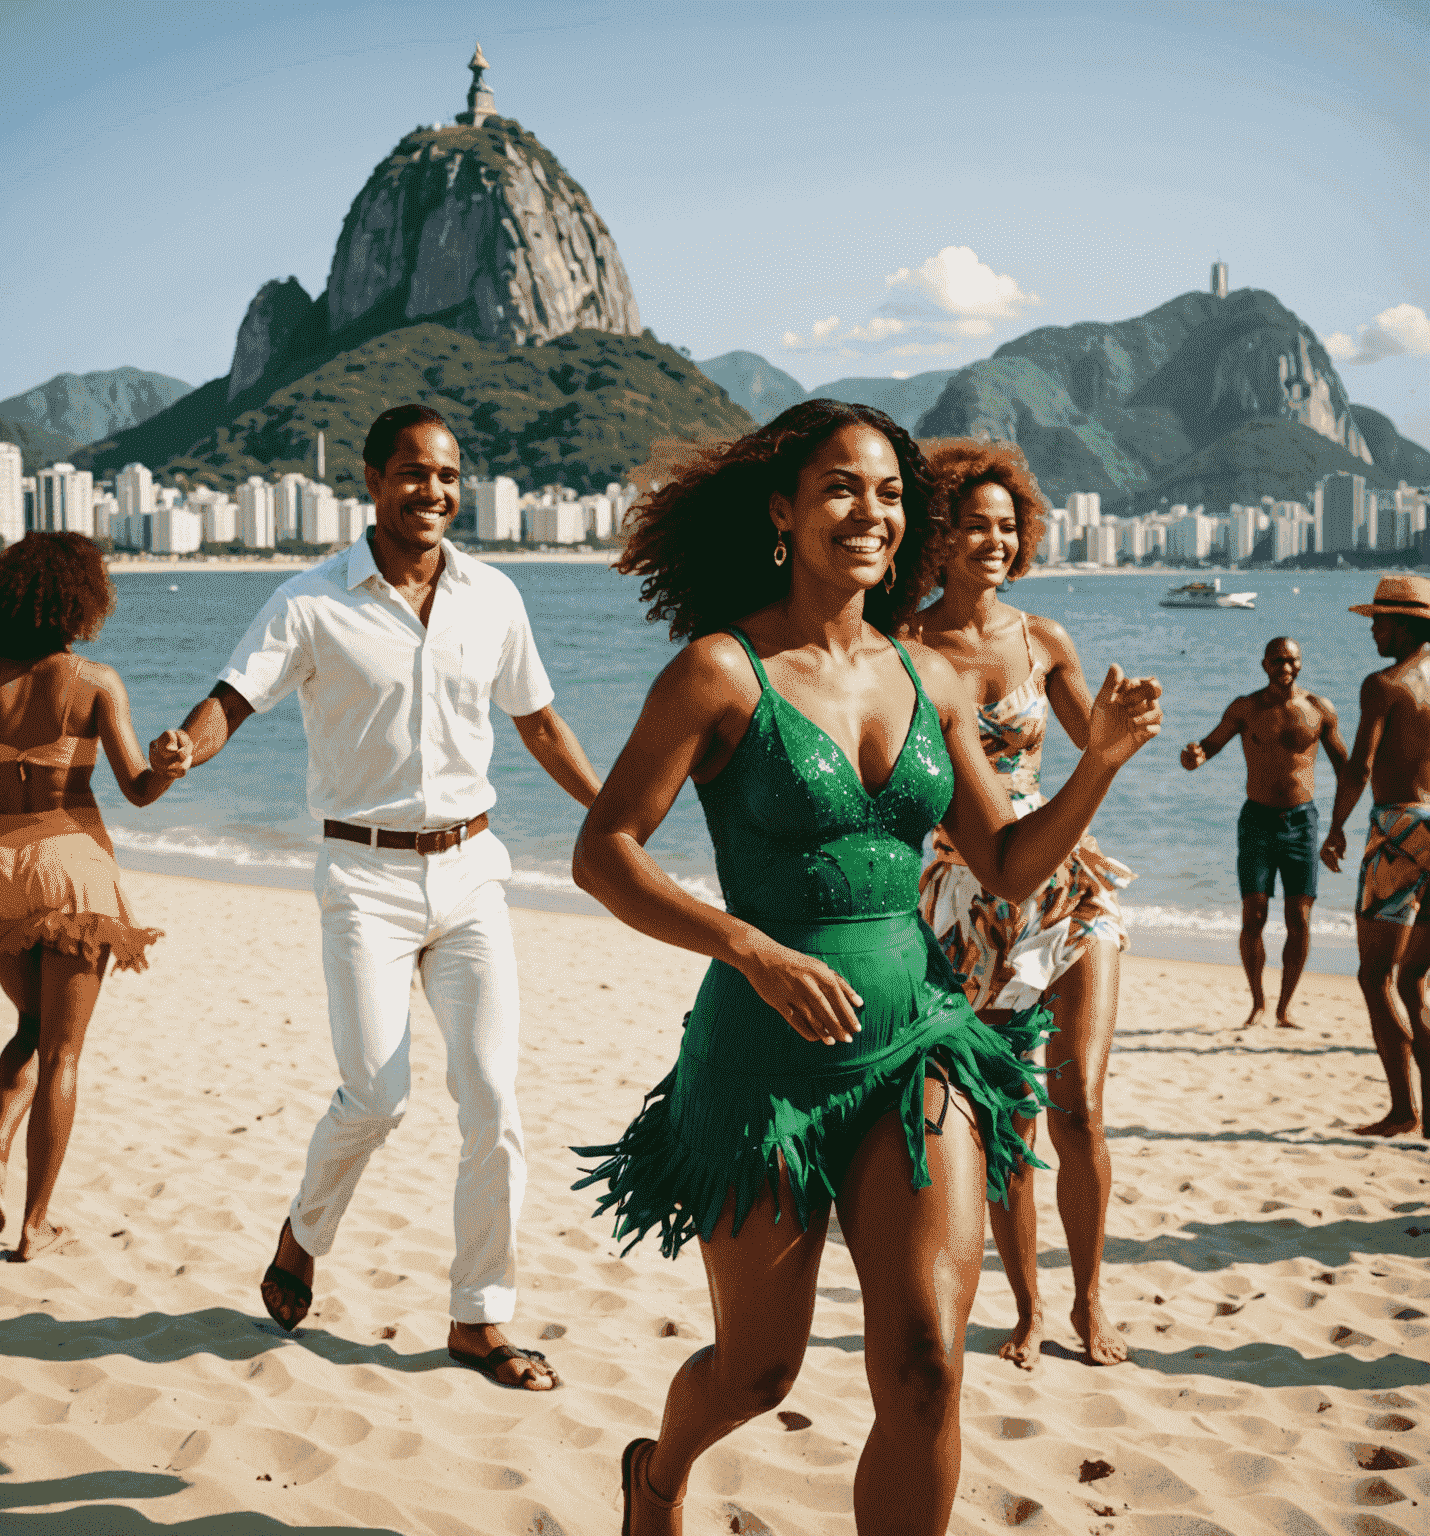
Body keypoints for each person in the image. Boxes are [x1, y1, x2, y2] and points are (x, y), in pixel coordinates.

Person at [570, 401, 1161, 1536]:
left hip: (919, 1041)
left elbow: (1004, 867)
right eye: (842, 487)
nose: (870, 512)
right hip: (764, 1067)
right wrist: (744, 943)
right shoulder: (721, 671)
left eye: (890, 494)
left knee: (931, 1365)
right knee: (759, 1372)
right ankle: (660, 1472)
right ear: (783, 513)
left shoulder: (930, 678)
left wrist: (1103, 766)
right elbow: (605, 853)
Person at [148, 404, 602, 1390]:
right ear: (370, 480)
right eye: (412, 473)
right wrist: (186, 746)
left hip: (474, 871)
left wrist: (617, 809)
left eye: (446, 475)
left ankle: (480, 1320)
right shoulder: (312, 602)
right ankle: (305, 1230)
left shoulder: (493, 597)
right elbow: (233, 699)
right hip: (363, 878)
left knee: (492, 1102)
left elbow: (540, 725)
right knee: (379, 1095)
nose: (432, 492)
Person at [904, 439, 1135, 1372]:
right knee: (1008, 1117)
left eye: (1008, 526)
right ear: (941, 537)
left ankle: (1087, 1301)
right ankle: (1029, 1309)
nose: (994, 541)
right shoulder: (909, 647)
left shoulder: (1045, 640)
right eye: (975, 526)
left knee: (1078, 1103)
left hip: (1067, 883)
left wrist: (1125, 721)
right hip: (968, 899)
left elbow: (1092, 742)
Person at [0, 532, 177, 1260]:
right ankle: (35, 1223)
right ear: (82, 598)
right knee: (63, 1052)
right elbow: (138, 790)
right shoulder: (94, 681)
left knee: (28, 1021)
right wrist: (172, 767)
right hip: (70, 862)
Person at [1181, 636, 1347, 1028]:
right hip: (1256, 821)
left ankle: (1285, 1007)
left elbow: (1348, 769)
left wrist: (1339, 827)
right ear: (1264, 665)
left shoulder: (1319, 709)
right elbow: (1207, 747)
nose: (1284, 667)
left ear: (1301, 664)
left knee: (1299, 919)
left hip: (1303, 822)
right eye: (1276, 661)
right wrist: (1192, 756)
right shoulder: (1246, 708)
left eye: (1291, 661)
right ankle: (1257, 1003)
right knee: (1253, 915)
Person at [1320, 574, 1430, 1137]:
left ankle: (1403, 1109)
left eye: (1381, 621)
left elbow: (1360, 766)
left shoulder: (1383, 685)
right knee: (1414, 982)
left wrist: (1336, 827)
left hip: (1400, 828)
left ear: (1408, 623)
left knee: (1374, 977)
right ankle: (1429, 1113)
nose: (1373, 632)